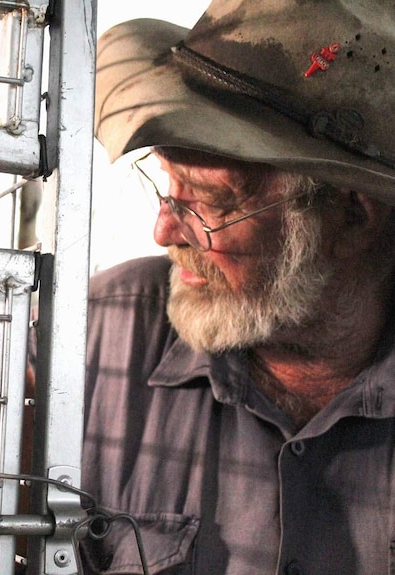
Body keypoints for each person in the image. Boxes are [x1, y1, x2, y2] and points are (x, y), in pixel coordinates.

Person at [83, 1, 395, 573]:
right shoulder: (92, 338)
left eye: (211, 202)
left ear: (351, 218)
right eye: (167, 184)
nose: (163, 230)